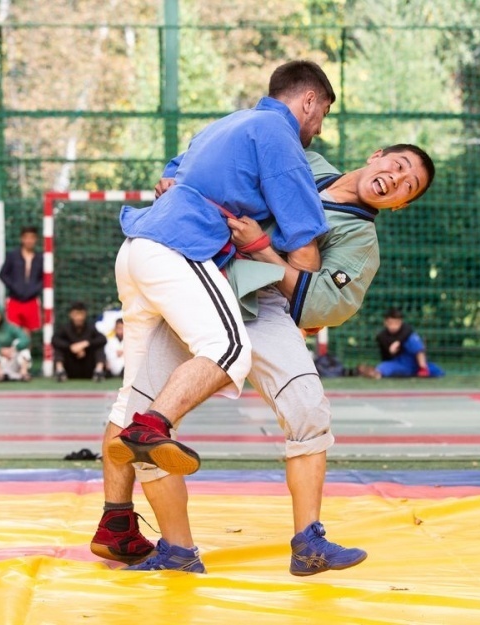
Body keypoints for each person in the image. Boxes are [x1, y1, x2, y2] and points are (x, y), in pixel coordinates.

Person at [93, 144, 435, 575]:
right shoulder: (302, 161)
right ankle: (177, 550)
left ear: (401, 205)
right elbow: (217, 153)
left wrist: (263, 249)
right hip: (201, 284)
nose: (397, 180)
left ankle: (309, 543)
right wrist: (175, 179)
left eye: (409, 187)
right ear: (377, 155)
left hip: (266, 304)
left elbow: (322, 308)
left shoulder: (359, 238)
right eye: (399, 166)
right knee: (142, 422)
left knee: (308, 408)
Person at [99, 59, 335, 574]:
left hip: (137, 246)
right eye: (320, 117)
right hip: (181, 247)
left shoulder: (224, 124)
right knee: (228, 351)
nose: (318, 130)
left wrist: (169, 179)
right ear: (310, 102)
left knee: (134, 390)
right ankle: (153, 428)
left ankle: (117, 521)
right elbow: (304, 239)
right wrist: (304, 309)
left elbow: (171, 169)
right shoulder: (280, 136)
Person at [358, 308, 444, 379]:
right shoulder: (382, 336)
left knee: (413, 340)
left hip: (413, 361)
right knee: (384, 367)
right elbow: (385, 357)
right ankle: (375, 373)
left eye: (396, 323)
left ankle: (423, 368)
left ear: (400, 322)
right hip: (398, 363)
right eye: (391, 323)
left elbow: (410, 335)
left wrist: (398, 342)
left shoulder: (407, 329)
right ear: (386, 322)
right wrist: (391, 352)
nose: (393, 326)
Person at [0, 226, 44, 336]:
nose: (29, 241)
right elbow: (3, 274)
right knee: (12, 331)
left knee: (27, 333)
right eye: (26, 237)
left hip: (31, 300)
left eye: (32, 238)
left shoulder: (40, 258)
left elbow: (45, 278)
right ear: (22, 239)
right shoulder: (13, 255)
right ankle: (13, 353)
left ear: (36, 239)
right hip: (14, 299)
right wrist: (14, 287)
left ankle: (26, 352)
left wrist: (35, 289)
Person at [51, 302, 107, 382]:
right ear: (71, 315)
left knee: (99, 347)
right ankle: (60, 372)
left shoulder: (91, 327)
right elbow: (55, 340)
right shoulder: (65, 328)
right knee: (59, 348)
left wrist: (86, 344)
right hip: (70, 366)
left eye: (81, 314)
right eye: (76, 314)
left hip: (88, 366)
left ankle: (99, 372)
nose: (79, 317)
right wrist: (71, 347)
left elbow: (102, 339)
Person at [0, 303, 32, 382]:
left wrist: (14, 348)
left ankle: (24, 373)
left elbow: (25, 339)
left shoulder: (11, 327)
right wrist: (0, 350)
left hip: (11, 358)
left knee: (23, 348)